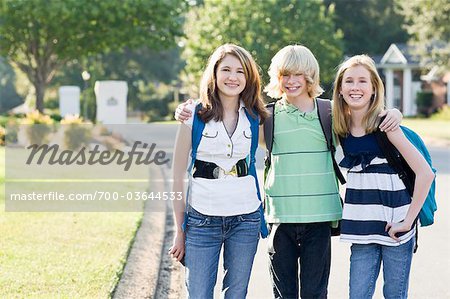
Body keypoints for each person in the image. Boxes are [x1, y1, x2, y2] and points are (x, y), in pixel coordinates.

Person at [175, 45, 402, 299]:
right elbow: (232, 125)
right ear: (277, 77)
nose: (292, 81)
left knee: (315, 293)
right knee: (284, 294)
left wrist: (393, 112)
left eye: (299, 74)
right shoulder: (266, 116)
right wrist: (188, 111)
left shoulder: (329, 112)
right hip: (280, 219)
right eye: (285, 74)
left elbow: (365, 118)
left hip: (319, 219)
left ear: (311, 76)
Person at [168, 43, 269, 299]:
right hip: (202, 220)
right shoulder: (193, 115)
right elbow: (177, 173)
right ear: (214, 74)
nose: (232, 77)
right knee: (199, 293)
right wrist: (180, 230)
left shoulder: (256, 116)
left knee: (236, 294)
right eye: (226, 69)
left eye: (240, 71)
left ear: (249, 78)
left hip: (245, 219)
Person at [332, 54, 434, 299]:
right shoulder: (338, 126)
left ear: (374, 89)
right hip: (361, 230)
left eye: (362, 81)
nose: (355, 87)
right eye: (349, 81)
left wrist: (408, 221)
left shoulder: (387, 126)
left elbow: (425, 173)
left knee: (394, 295)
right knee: (358, 294)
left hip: (396, 228)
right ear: (340, 89)